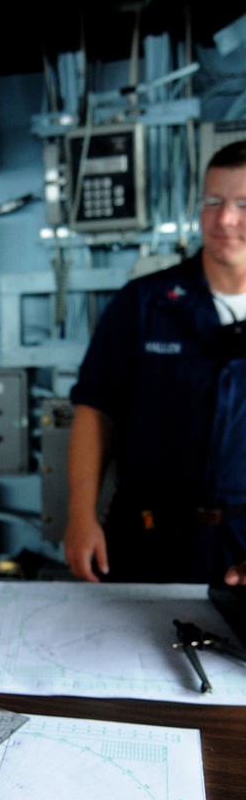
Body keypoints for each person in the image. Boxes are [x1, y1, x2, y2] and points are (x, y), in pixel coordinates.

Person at [65, 140, 246, 584]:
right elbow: (95, 409)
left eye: (244, 203)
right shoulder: (143, 304)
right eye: (212, 201)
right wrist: (81, 515)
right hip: (148, 535)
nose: (225, 218)